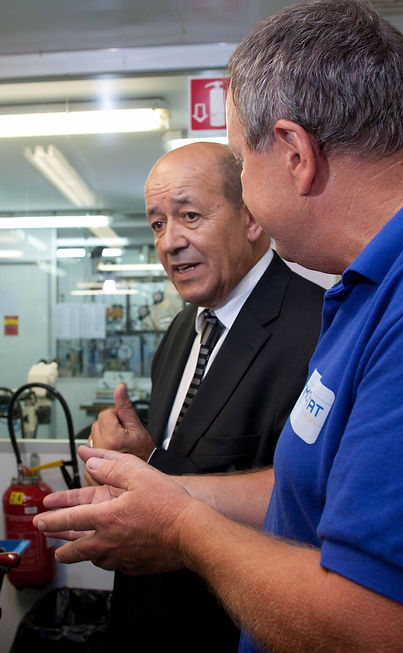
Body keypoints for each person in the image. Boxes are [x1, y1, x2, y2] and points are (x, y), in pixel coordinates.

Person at [35, 1, 403, 652]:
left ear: (296, 153)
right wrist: (166, 489)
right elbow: (325, 480)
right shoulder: (393, 280)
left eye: (243, 165)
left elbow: (392, 634)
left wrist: (181, 527)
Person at [90, 142, 323, 652]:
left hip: (232, 624)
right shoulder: (182, 329)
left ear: (253, 219)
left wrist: (149, 462)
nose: (170, 242)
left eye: (189, 216)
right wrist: (137, 454)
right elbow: (180, 460)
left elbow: (300, 503)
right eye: (156, 224)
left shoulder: (319, 327)